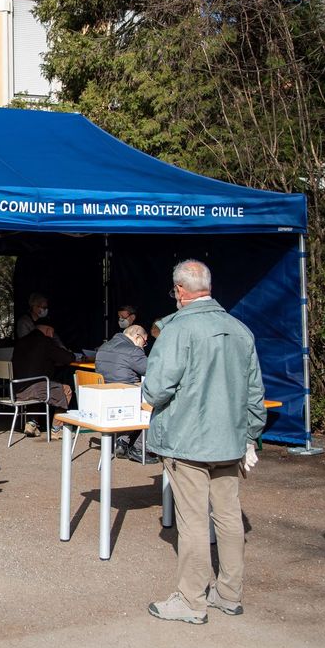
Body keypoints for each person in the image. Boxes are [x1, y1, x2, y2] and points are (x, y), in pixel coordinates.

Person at [143, 260, 264, 625]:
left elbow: (157, 387)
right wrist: (251, 438)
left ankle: (191, 600)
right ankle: (229, 594)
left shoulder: (178, 329)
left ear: (180, 291)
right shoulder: (240, 329)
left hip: (188, 441)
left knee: (193, 521)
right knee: (228, 517)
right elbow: (255, 393)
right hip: (229, 440)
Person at [11, 316, 76, 437]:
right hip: (34, 389)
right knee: (65, 389)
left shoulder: (21, 341)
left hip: (16, 389)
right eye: (52, 332)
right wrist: (71, 354)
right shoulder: (45, 342)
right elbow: (66, 358)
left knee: (41, 385)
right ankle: (57, 429)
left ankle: (31, 423)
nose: (52, 335)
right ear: (48, 330)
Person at [96, 323, 149, 459]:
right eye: (144, 341)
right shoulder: (133, 351)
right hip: (126, 398)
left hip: (104, 398)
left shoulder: (103, 347)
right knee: (157, 401)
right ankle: (139, 448)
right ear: (138, 337)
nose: (144, 345)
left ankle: (122, 441)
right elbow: (150, 370)